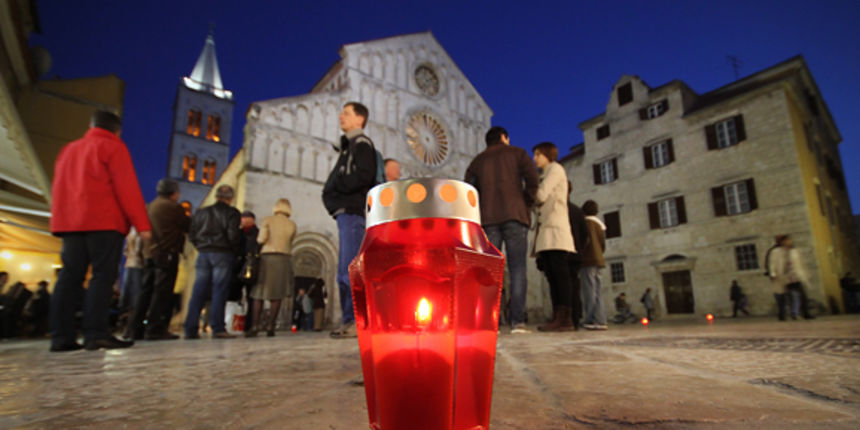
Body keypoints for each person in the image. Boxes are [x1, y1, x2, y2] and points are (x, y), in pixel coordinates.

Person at [49, 110, 151, 351]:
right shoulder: (113, 147)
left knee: (69, 277)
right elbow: (127, 188)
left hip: (71, 223)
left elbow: (59, 187)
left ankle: (60, 337)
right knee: (102, 277)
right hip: (104, 222)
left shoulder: (69, 150)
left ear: (91, 125)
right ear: (117, 130)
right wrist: (142, 225)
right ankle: (95, 333)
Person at [465, 126, 539, 333]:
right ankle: (518, 321)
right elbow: (533, 179)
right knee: (518, 269)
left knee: (489, 271)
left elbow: (468, 189)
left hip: (488, 219)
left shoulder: (478, 161)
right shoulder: (518, 153)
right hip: (515, 215)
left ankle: (490, 322)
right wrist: (526, 202)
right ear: (504, 138)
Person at [322, 102, 377, 339]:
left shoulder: (361, 144)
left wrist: (335, 188)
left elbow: (364, 175)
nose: (340, 116)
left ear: (359, 120)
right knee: (346, 268)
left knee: (351, 269)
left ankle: (357, 321)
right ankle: (349, 319)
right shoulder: (349, 146)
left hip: (353, 211)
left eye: (346, 113)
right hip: (346, 211)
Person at [125, 179, 190, 341]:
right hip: (166, 253)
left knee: (145, 291)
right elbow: (188, 225)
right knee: (162, 293)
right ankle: (155, 328)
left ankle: (134, 328)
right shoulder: (173, 207)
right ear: (174, 193)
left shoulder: (149, 206)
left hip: (149, 254)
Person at [185, 184, 241, 339]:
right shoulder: (232, 213)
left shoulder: (201, 213)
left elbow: (192, 235)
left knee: (198, 291)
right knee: (219, 291)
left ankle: (190, 328)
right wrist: (234, 252)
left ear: (216, 197)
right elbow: (233, 236)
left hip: (203, 253)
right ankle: (217, 328)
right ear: (230, 199)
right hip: (222, 253)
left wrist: (202, 246)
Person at [530, 142, 576, 332]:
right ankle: (558, 316)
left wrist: (529, 189)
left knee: (559, 276)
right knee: (552, 276)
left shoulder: (555, 169)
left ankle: (565, 318)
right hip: (547, 231)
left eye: (537, 154)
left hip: (555, 230)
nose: (535, 159)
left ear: (546, 154)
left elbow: (541, 195)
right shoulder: (548, 172)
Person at [246, 198, 297, 337]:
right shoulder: (292, 224)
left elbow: (261, 239)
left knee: (259, 293)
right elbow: (291, 241)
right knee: (277, 294)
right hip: (283, 259)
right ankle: (271, 326)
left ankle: (255, 325)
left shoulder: (268, 220)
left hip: (267, 257)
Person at [768, 234, 814, 320]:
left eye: (789, 240)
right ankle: (782, 315)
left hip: (794, 276)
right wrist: (773, 273)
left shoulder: (794, 251)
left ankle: (803, 313)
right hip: (782, 276)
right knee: (782, 296)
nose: (788, 242)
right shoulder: (775, 251)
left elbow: (800, 263)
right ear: (782, 242)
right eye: (786, 240)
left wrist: (805, 274)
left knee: (800, 294)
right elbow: (772, 263)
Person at [580, 200, 608, 330]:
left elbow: (584, 241)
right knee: (598, 290)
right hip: (599, 259)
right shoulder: (599, 225)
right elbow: (602, 244)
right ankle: (601, 319)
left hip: (588, 260)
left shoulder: (586, 223)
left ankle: (591, 319)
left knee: (589, 290)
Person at [232, 211, 260, 335]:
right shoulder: (237, 232)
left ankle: (249, 325)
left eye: (246, 218)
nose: (244, 221)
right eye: (243, 218)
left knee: (251, 296)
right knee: (233, 295)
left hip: (251, 266)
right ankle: (231, 323)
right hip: (237, 266)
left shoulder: (257, 233)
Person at [566, 182, 588, 330]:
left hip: (562, 252)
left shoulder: (560, 210)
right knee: (574, 286)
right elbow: (585, 234)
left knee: (563, 286)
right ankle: (576, 318)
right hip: (576, 253)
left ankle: (565, 317)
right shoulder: (578, 211)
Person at [120, 228, 143, 313]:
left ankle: (124, 308)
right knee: (137, 289)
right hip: (137, 263)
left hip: (128, 262)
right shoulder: (139, 234)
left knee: (127, 287)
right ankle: (135, 310)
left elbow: (125, 251)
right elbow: (138, 249)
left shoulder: (129, 233)